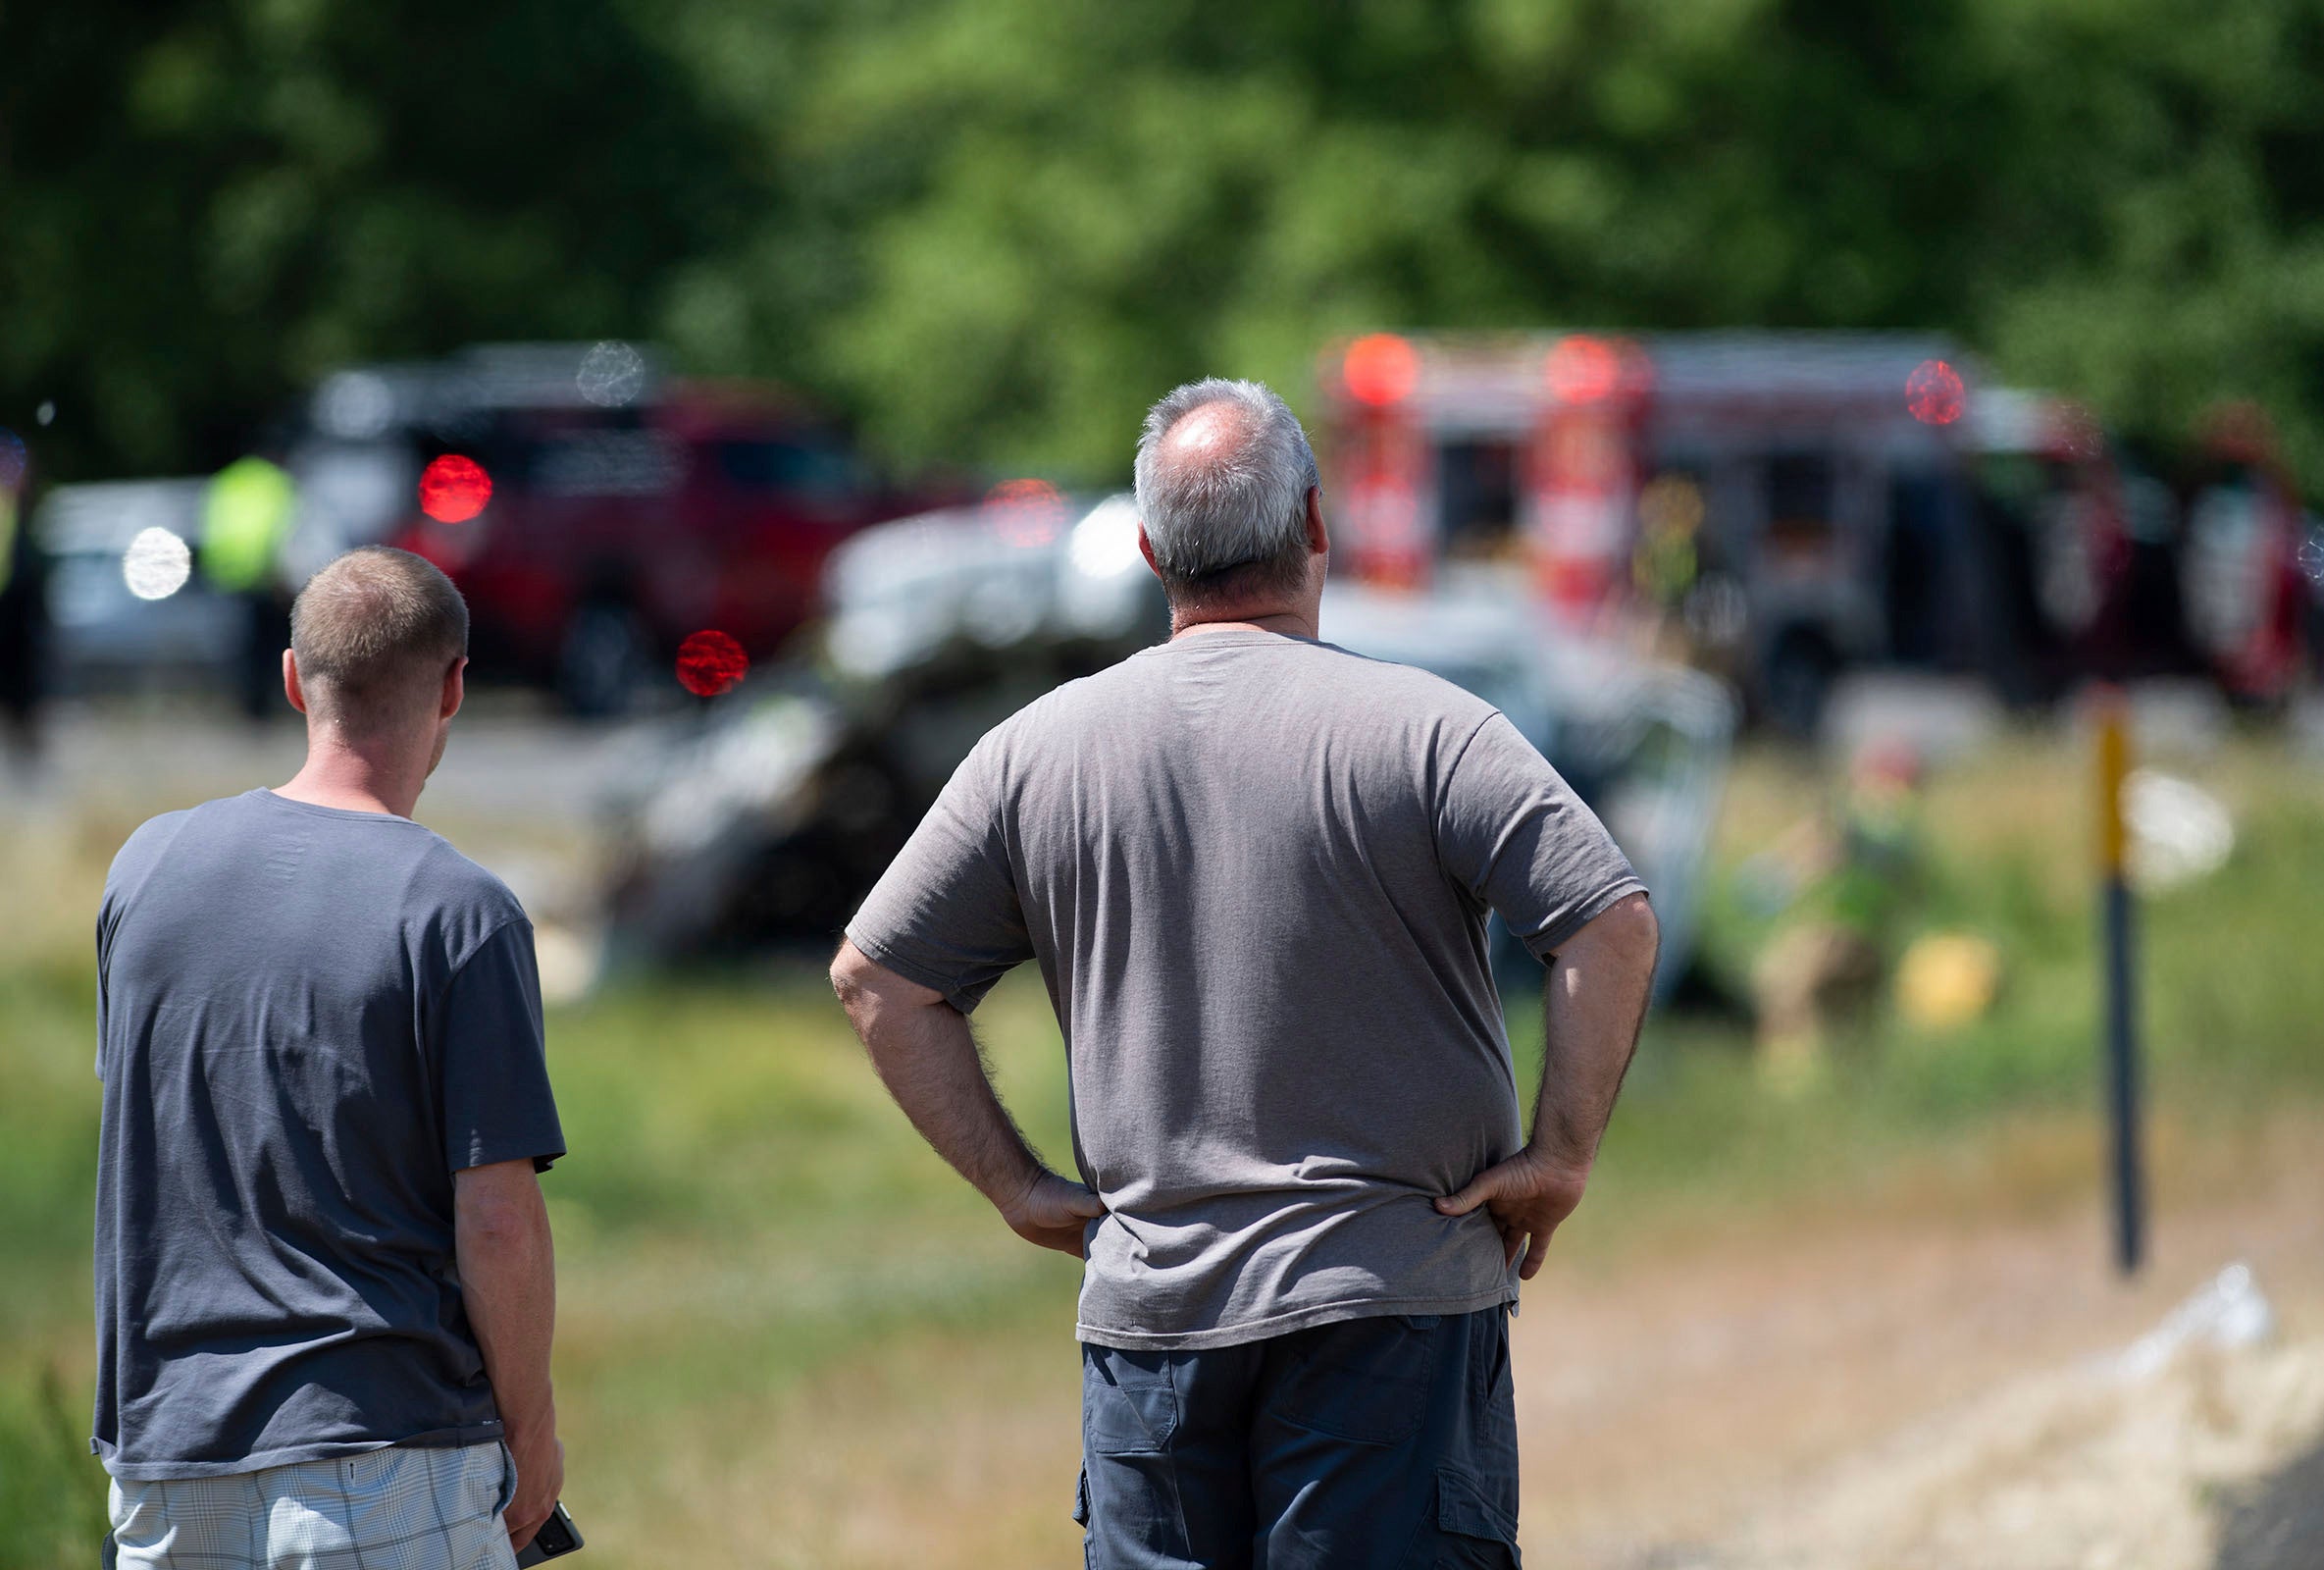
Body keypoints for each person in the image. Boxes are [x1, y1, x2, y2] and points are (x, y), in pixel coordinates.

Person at [831, 379, 1661, 1568]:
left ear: (1149, 549)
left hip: (1153, 1326)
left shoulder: (1032, 751)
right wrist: (1559, 1154)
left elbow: (878, 980)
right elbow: (1609, 921)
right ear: (1317, 524)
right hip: (1391, 1309)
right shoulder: (1429, 729)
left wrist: (1018, 1186)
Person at [91, 546, 568, 1567]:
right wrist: (529, 1430)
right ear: (454, 686)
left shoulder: (145, 869)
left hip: (166, 1458)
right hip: (383, 1458)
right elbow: (495, 1216)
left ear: (293, 678)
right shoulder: (458, 911)